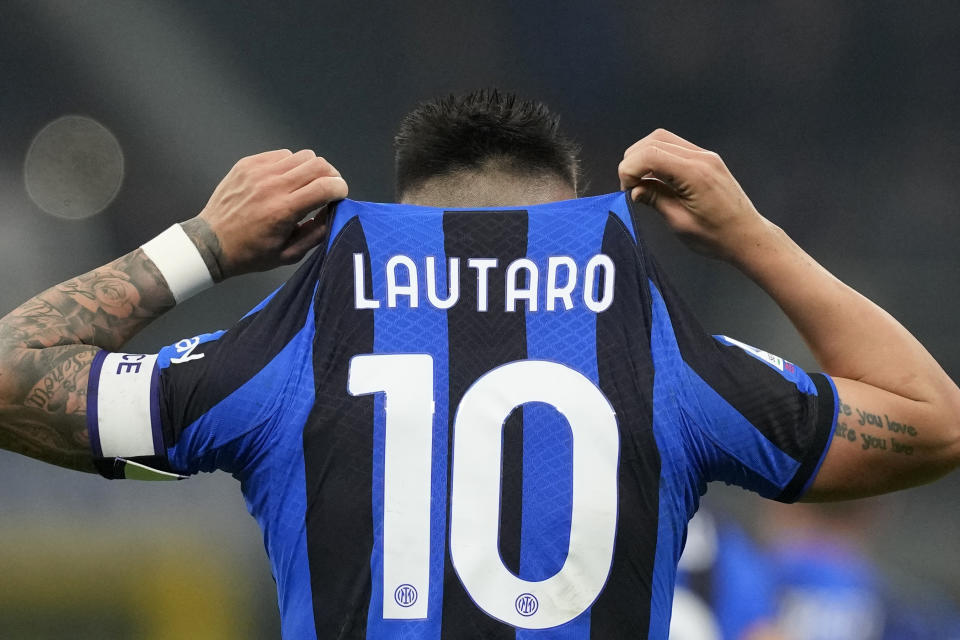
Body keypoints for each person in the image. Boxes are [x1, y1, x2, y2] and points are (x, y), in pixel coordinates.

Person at [1, 90, 958, 639]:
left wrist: (204, 243)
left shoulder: (297, 341)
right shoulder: (658, 346)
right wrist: (750, 237)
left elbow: (13, 375)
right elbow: (935, 420)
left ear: (412, 211)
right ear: (576, 216)